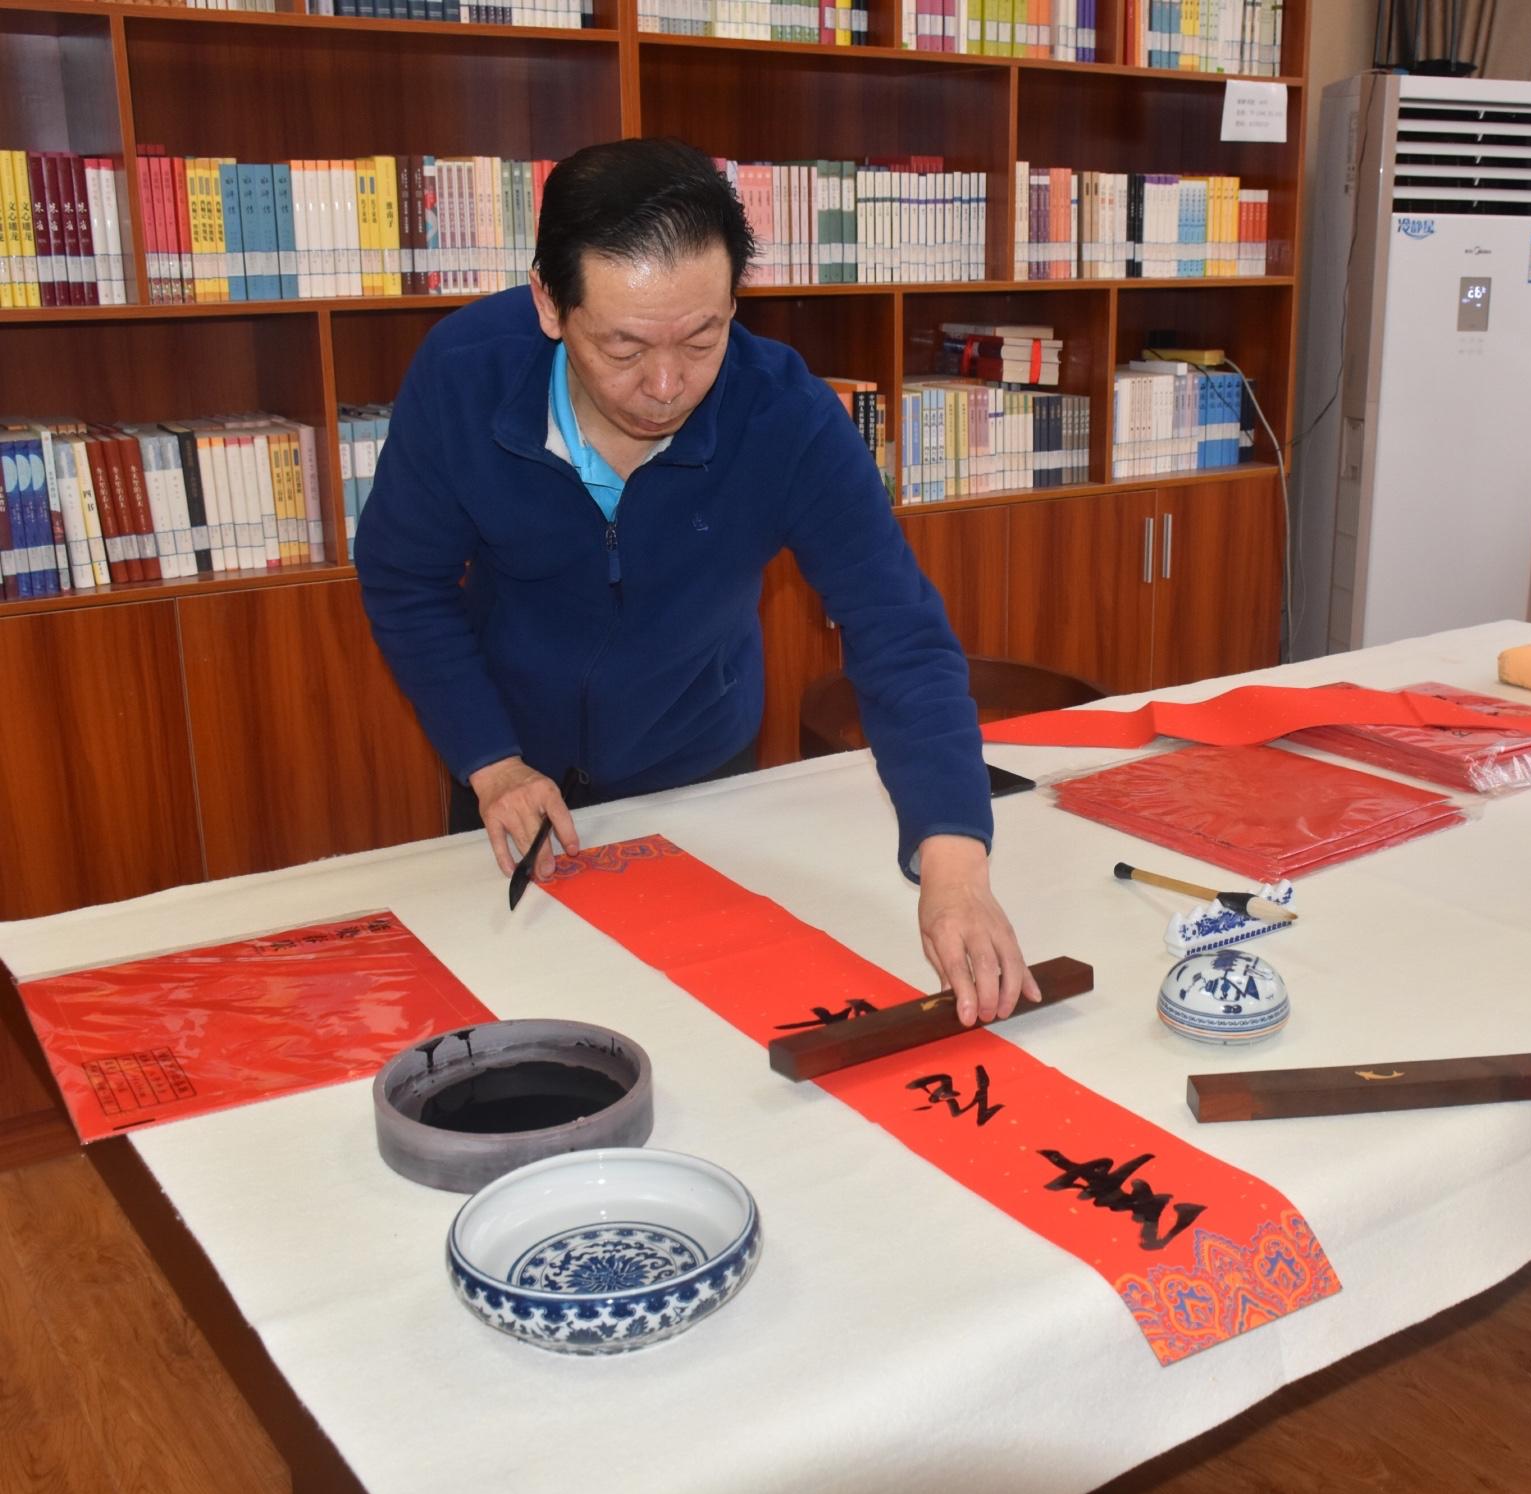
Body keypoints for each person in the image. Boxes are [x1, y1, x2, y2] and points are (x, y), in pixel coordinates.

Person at [354, 137, 1034, 1027]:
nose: (667, 385)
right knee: (525, 1023)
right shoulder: (465, 376)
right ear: (550, 303)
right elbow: (404, 580)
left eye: (702, 338)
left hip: (698, 767)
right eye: (625, 347)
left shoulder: (782, 415)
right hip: (510, 765)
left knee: (701, 1024)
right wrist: (490, 760)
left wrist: (955, 866)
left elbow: (897, 632)